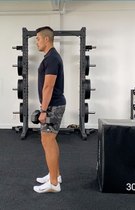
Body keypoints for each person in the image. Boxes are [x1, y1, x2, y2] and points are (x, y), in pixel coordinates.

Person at [33, 26, 66, 193]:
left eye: (38, 39)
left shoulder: (52, 58)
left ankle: (54, 183)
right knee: (49, 140)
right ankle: (56, 174)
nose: (36, 42)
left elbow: (49, 86)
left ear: (47, 39)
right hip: (53, 104)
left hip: (52, 105)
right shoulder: (50, 57)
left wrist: (44, 110)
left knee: (47, 140)